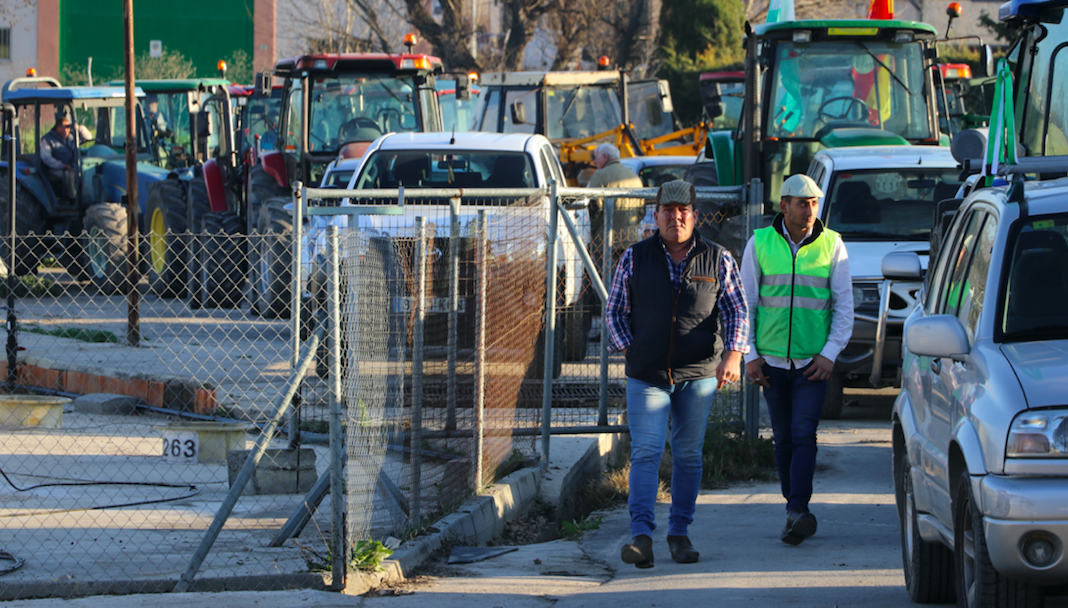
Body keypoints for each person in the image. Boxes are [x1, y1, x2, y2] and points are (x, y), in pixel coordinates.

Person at [605, 179, 748, 568]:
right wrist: (630, 348)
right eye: (668, 210)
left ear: (695, 215)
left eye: (683, 210)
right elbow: (615, 311)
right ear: (656, 216)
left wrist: (734, 354)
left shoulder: (718, 258)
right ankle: (641, 536)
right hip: (647, 375)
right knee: (647, 452)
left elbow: (737, 310)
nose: (676, 217)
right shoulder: (634, 258)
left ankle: (679, 533)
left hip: (698, 375)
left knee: (687, 456)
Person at [740, 173, 853, 545]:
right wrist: (751, 357)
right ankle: (793, 508)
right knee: (783, 439)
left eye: (814, 203)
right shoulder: (760, 243)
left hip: (812, 365)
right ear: (784, 204)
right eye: (802, 203)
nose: (809, 211)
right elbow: (747, 305)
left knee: (805, 434)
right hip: (771, 364)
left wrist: (829, 354)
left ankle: (798, 508)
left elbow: (844, 308)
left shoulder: (833, 246)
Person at [587, 143, 644, 254]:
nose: (594, 162)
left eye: (596, 157)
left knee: (603, 271)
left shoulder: (599, 176)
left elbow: (594, 209)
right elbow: (641, 211)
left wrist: (592, 232)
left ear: (605, 157)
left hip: (604, 241)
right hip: (630, 239)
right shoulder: (634, 176)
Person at [40, 109, 92, 201]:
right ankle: (73, 200)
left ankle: (88, 198)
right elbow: (46, 158)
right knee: (69, 175)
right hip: (55, 169)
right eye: (66, 127)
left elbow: (89, 137)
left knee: (87, 173)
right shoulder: (48, 140)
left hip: (73, 167)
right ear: (58, 128)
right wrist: (61, 165)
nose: (68, 129)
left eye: (69, 127)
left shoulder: (71, 137)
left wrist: (79, 128)